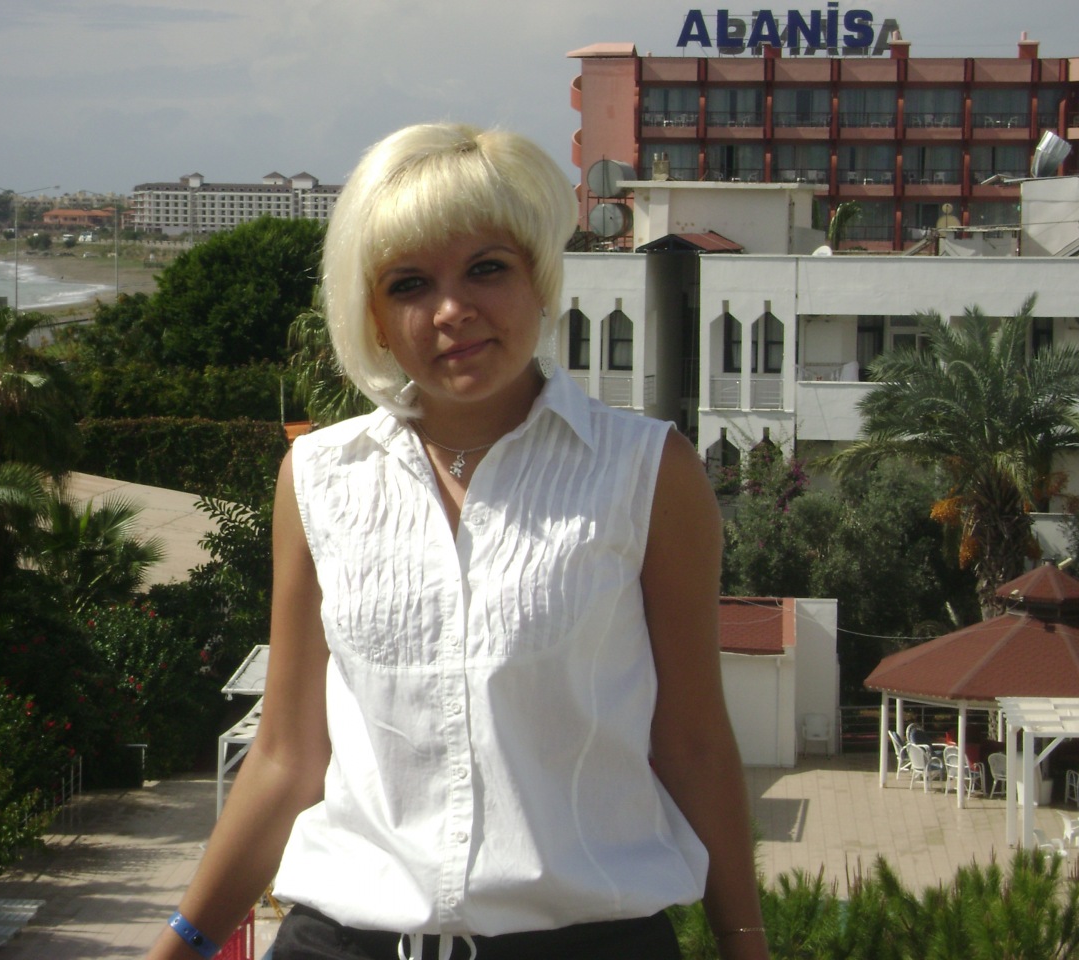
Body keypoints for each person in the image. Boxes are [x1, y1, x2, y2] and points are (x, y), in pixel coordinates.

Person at [147, 122, 766, 960]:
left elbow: (692, 742)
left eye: (487, 268)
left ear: (538, 278)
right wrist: (181, 945)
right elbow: (288, 757)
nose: (451, 310)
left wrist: (743, 939)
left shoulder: (648, 472)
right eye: (409, 284)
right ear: (374, 316)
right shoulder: (319, 479)